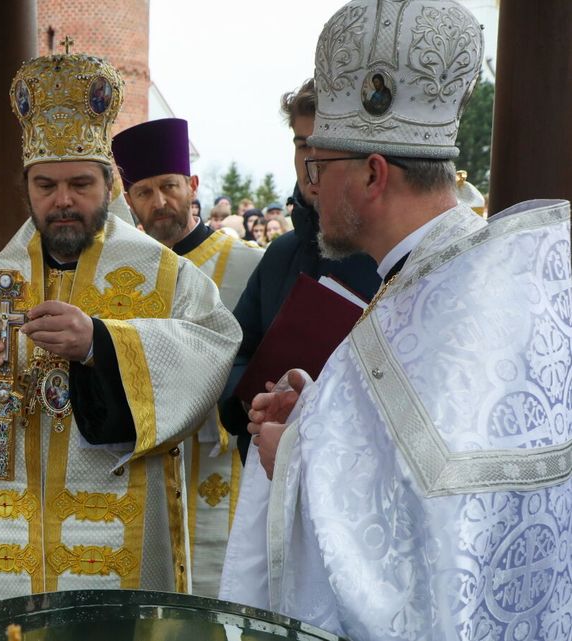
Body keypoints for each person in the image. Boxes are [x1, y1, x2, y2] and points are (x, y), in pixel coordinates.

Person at [222, 3, 572, 639]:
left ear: (372, 174)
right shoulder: (455, 277)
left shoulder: (457, 302)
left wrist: (288, 456)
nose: (311, 187)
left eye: (321, 167)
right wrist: (314, 415)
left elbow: (438, 525)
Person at [0, 51, 241, 612]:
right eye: (46, 185)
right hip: (6, 531)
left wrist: (101, 345)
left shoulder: (167, 276)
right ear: (27, 189)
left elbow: (214, 341)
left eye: (80, 183)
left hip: (118, 528)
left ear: (110, 185)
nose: (62, 200)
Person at [111, 117, 263, 597]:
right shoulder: (121, 274)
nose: (159, 202)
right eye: (144, 191)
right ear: (129, 199)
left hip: (220, 461)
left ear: (192, 186)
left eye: (169, 187)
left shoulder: (247, 263)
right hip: (146, 461)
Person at [217, 78, 381, 463]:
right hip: (267, 461)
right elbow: (235, 351)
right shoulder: (281, 253)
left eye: (323, 148)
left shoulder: (383, 253)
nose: (311, 163)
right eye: (302, 145)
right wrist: (253, 401)